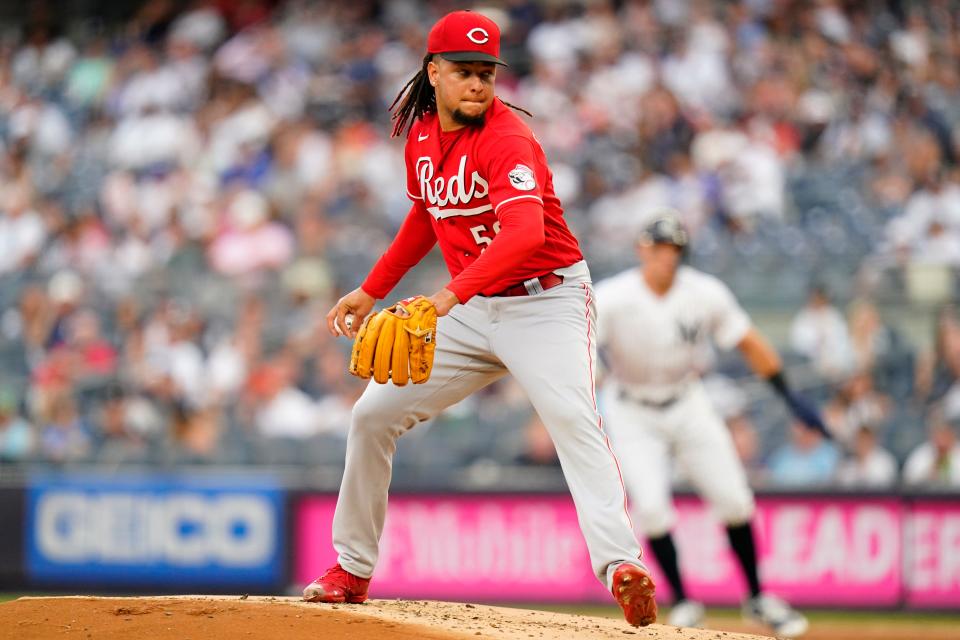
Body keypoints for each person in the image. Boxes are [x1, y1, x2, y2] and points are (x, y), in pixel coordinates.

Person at [301, 10, 656, 628]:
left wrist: (441, 300)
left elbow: (524, 235)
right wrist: (371, 288)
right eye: (464, 71)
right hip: (474, 305)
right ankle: (351, 569)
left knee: (573, 419)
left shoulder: (506, 138)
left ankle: (621, 564)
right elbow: (425, 217)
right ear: (432, 72)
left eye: (486, 72)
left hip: (545, 302)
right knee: (372, 414)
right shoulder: (420, 136)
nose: (477, 84)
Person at [595, 212, 823, 637]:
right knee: (654, 510)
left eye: (675, 249)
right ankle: (683, 602)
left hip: (687, 400)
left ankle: (758, 597)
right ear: (642, 249)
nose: (667, 257)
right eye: (660, 247)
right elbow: (582, 348)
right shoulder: (613, 296)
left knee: (735, 499)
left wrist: (788, 394)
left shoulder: (703, 292)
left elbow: (749, 341)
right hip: (631, 406)